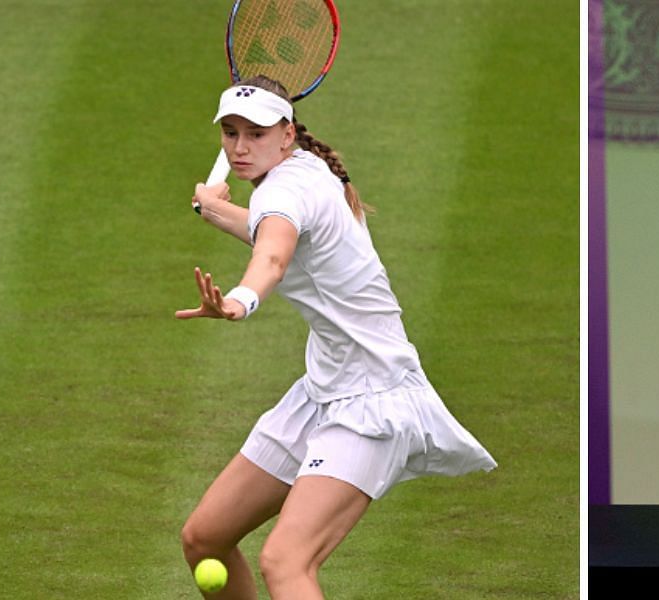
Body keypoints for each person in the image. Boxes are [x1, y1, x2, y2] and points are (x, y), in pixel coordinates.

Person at [177, 75, 496, 599]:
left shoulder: (285, 191)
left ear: (286, 133)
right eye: (230, 132)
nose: (239, 146)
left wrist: (239, 300)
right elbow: (272, 232)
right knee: (205, 539)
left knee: (285, 562)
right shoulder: (309, 169)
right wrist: (208, 207)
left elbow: (273, 256)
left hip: (374, 404)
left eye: (255, 134)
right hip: (322, 391)